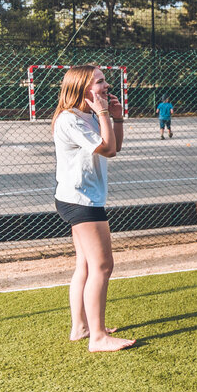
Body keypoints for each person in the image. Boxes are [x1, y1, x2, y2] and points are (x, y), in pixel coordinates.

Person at [52, 65, 136, 352]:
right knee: (103, 265)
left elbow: (116, 147)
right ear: (82, 88)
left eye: (103, 80)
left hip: (78, 198)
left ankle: (81, 327)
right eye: (99, 81)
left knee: (86, 265)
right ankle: (97, 337)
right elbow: (108, 149)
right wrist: (103, 114)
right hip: (82, 201)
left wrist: (117, 118)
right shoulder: (70, 120)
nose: (105, 85)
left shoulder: (85, 116)